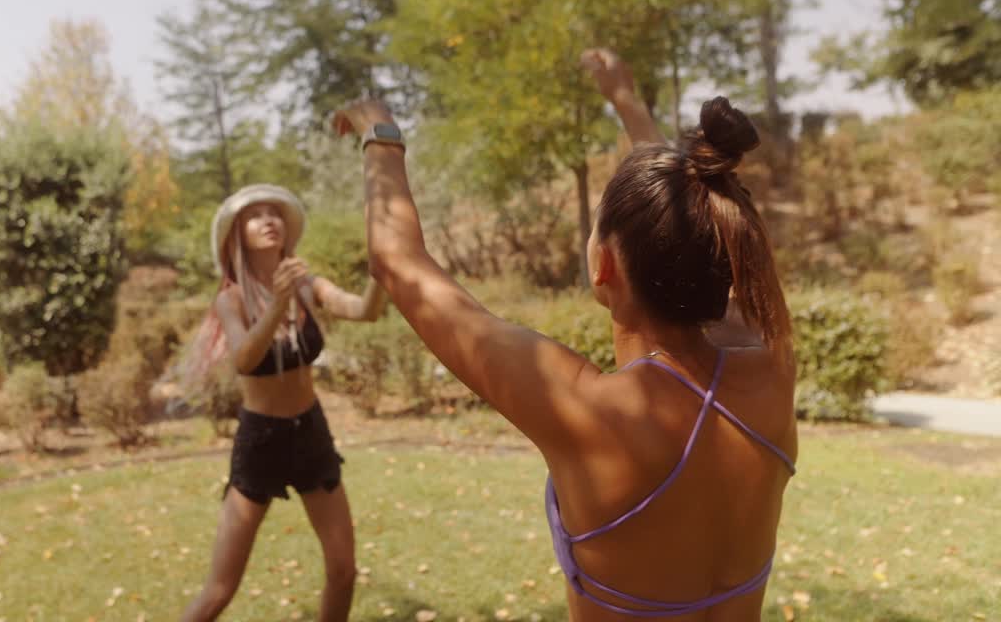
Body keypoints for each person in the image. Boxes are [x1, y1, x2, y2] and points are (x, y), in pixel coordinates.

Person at [331, 49, 797, 620]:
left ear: (603, 266)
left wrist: (380, 130)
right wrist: (626, 102)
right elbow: (682, 218)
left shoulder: (588, 412)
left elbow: (397, 263)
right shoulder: (772, 364)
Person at [179, 183, 386, 622]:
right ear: (238, 233)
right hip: (262, 441)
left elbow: (363, 309)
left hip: (311, 432)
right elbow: (243, 358)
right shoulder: (230, 298)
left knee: (344, 569)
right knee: (219, 591)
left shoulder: (308, 285)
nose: (269, 220)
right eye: (256, 215)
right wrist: (277, 303)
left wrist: (382, 271)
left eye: (275, 213)